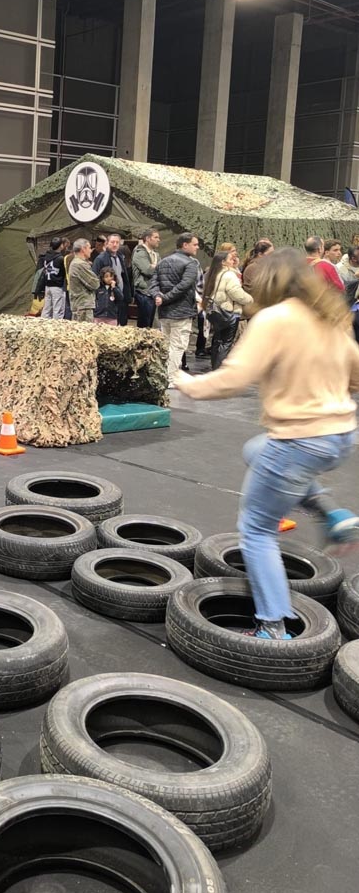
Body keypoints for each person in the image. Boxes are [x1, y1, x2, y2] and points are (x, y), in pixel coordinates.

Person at [176, 249, 359, 639]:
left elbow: (234, 378)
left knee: (257, 530)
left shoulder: (274, 319)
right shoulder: (329, 320)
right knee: (256, 450)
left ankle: (273, 626)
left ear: (269, 282)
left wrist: (187, 384)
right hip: (341, 435)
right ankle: (333, 514)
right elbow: (356, 375)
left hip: (301, 440)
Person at [149, 233, 201, 389]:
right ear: (185, 245)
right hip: (181, 312)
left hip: (165, 312)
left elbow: (153, 284)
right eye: (195, 244)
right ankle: (170, 378)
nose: (197, 247)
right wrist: (163, 297)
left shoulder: (162, 261)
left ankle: (167, 375)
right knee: (177, 346)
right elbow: (184, 286)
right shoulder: (191, 264)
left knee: (167, 345)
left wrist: (159, 296)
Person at [203, 248, 253, 370]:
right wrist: (249, 299)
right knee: (226, 343)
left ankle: (215, 366)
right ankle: (219, 370)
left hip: (216, 312)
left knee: (217, 341)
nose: (233, 261)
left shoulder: (212, 273)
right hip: (228, 313)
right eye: (230, 259)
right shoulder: (229, 275)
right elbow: (236, 293)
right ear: (223, 262)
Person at [91, 232, 132, 326]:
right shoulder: (100, 259)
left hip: (120, 295)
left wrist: (128, 294)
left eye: (117, 242)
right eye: (112, 242)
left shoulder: (120, 257)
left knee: (121, 323)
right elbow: (94, 277)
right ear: (107, 243)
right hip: (106, 297)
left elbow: (123, 276)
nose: (115, 244)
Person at [132, 227, 161, 328]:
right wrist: (154, 267)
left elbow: (161, 270)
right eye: (156, 237)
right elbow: (148, 271)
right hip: (144, 292)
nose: (159, 240)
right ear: (148, 239)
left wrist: (154, 266)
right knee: (144, 325)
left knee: (151, 324)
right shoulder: (139, 253)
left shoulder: (156, 254)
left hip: (153, 292)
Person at [68, 238, 100, 322]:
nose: (90, 250)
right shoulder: (80, 264)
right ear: (83, 249)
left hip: (81, 306)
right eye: (89, 248)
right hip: (83, 307)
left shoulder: (76, 263)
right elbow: (95, 284)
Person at [39, 237, 69, 319]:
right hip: (57, 286)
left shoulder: (45, 257)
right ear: (61, 246)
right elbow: (64, 272)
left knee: (47, 309)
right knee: (58, 310)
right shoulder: (60, 259)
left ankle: (43, 326)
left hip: (47, 285)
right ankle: (56, 328)